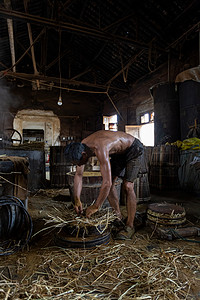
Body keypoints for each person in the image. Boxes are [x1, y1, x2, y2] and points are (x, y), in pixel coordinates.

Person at [65, 130, 144, 240]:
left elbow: (106, 183)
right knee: (111, 187)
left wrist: (96, 206)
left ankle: (130, 226)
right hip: (118, 153)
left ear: (84, 155)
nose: (79, 165)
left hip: (133, 149)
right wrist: (77, 199)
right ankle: (118, 218)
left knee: (128, 185)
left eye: (79, 163)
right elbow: (78, 175)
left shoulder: (100, 148)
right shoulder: (81, 145)